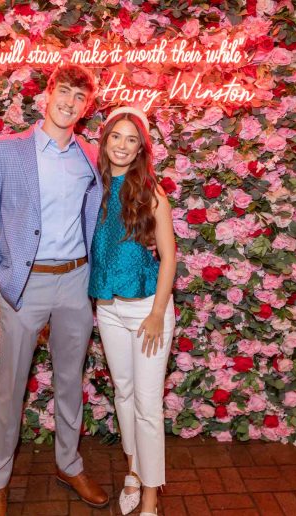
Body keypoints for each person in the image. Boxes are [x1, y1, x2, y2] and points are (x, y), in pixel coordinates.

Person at [0, 64, 109, 516]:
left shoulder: (90, 156)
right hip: (23, 287)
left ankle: (69, 464)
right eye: (64, 92)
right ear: (48, 94)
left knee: (70, 384)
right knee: (11, 388)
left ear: (87, 108)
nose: (69, 103)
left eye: (79, 98)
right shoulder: (9, 150)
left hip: (75, 282)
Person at [88, 107, 177, 516]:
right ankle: (133, 471)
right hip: (107, 308)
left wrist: (158, 312)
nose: (122, 146)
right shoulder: (96, 189)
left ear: (141, 148)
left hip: (146, 310)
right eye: (115, 137)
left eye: (131, 140)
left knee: (146, 403)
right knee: (123, 394)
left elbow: (170, 257)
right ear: (104, 142)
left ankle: (150, 497)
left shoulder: (152, 193)